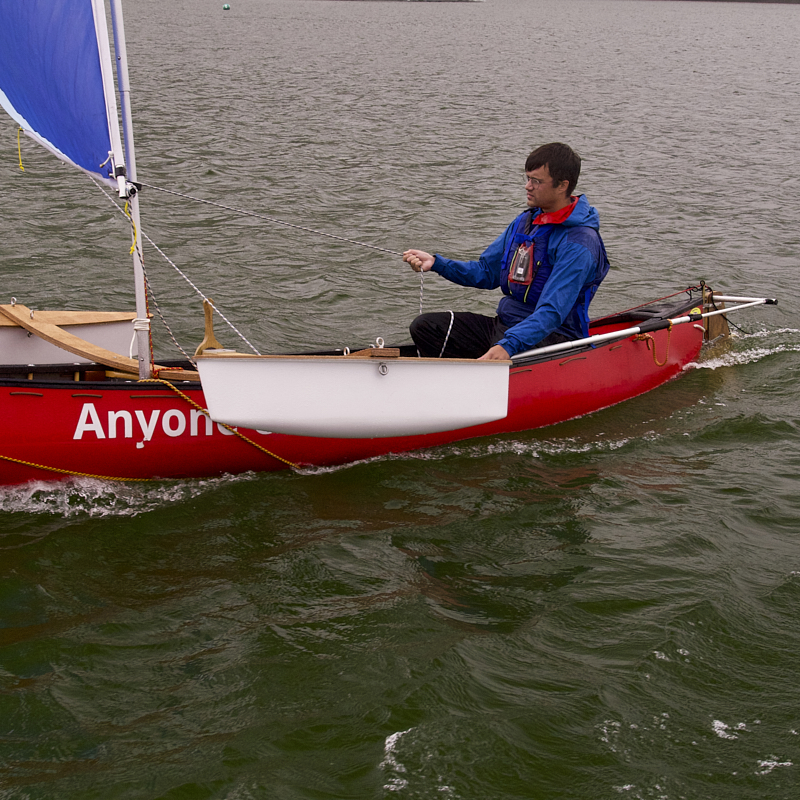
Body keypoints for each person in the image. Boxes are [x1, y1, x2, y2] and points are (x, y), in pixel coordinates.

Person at [403, 142, 610, 361]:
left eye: (536, 181)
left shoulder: (579, 243)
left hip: (552, 338)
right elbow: (486, 272)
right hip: (506, 326)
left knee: (506, 344)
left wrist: (507, 346)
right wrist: (436, 263)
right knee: (425, 327)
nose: (527, 186)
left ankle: (487, 371)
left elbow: (552, 312)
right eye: (527, 178)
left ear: (562, 185)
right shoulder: (525, 221)